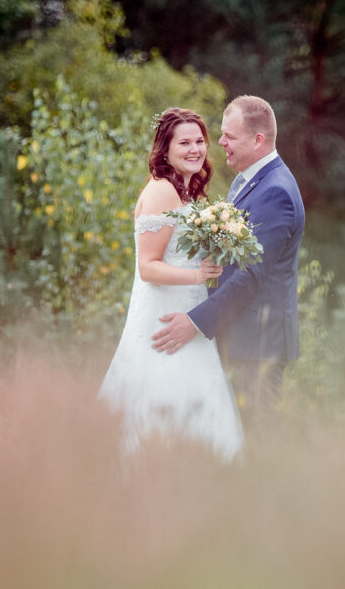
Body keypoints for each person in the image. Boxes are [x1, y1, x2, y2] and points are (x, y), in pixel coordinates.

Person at [98, 107, 244, 461]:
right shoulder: (162, 191)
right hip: (164, 316)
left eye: (199, 141)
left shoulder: (185, 190)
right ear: (165, 149)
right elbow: (148, 267)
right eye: (185, 142)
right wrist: (198, 275)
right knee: (162, 396)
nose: (195, 149)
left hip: (187, 312)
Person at [152, 95, 305, 426]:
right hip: (236, 336)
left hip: (256, 346)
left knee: (258, 441)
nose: (219, 143)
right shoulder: (247, 180)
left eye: (229, 137)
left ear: (258, 140)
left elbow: (250, 276)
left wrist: (194, 322)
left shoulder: (276, 192)